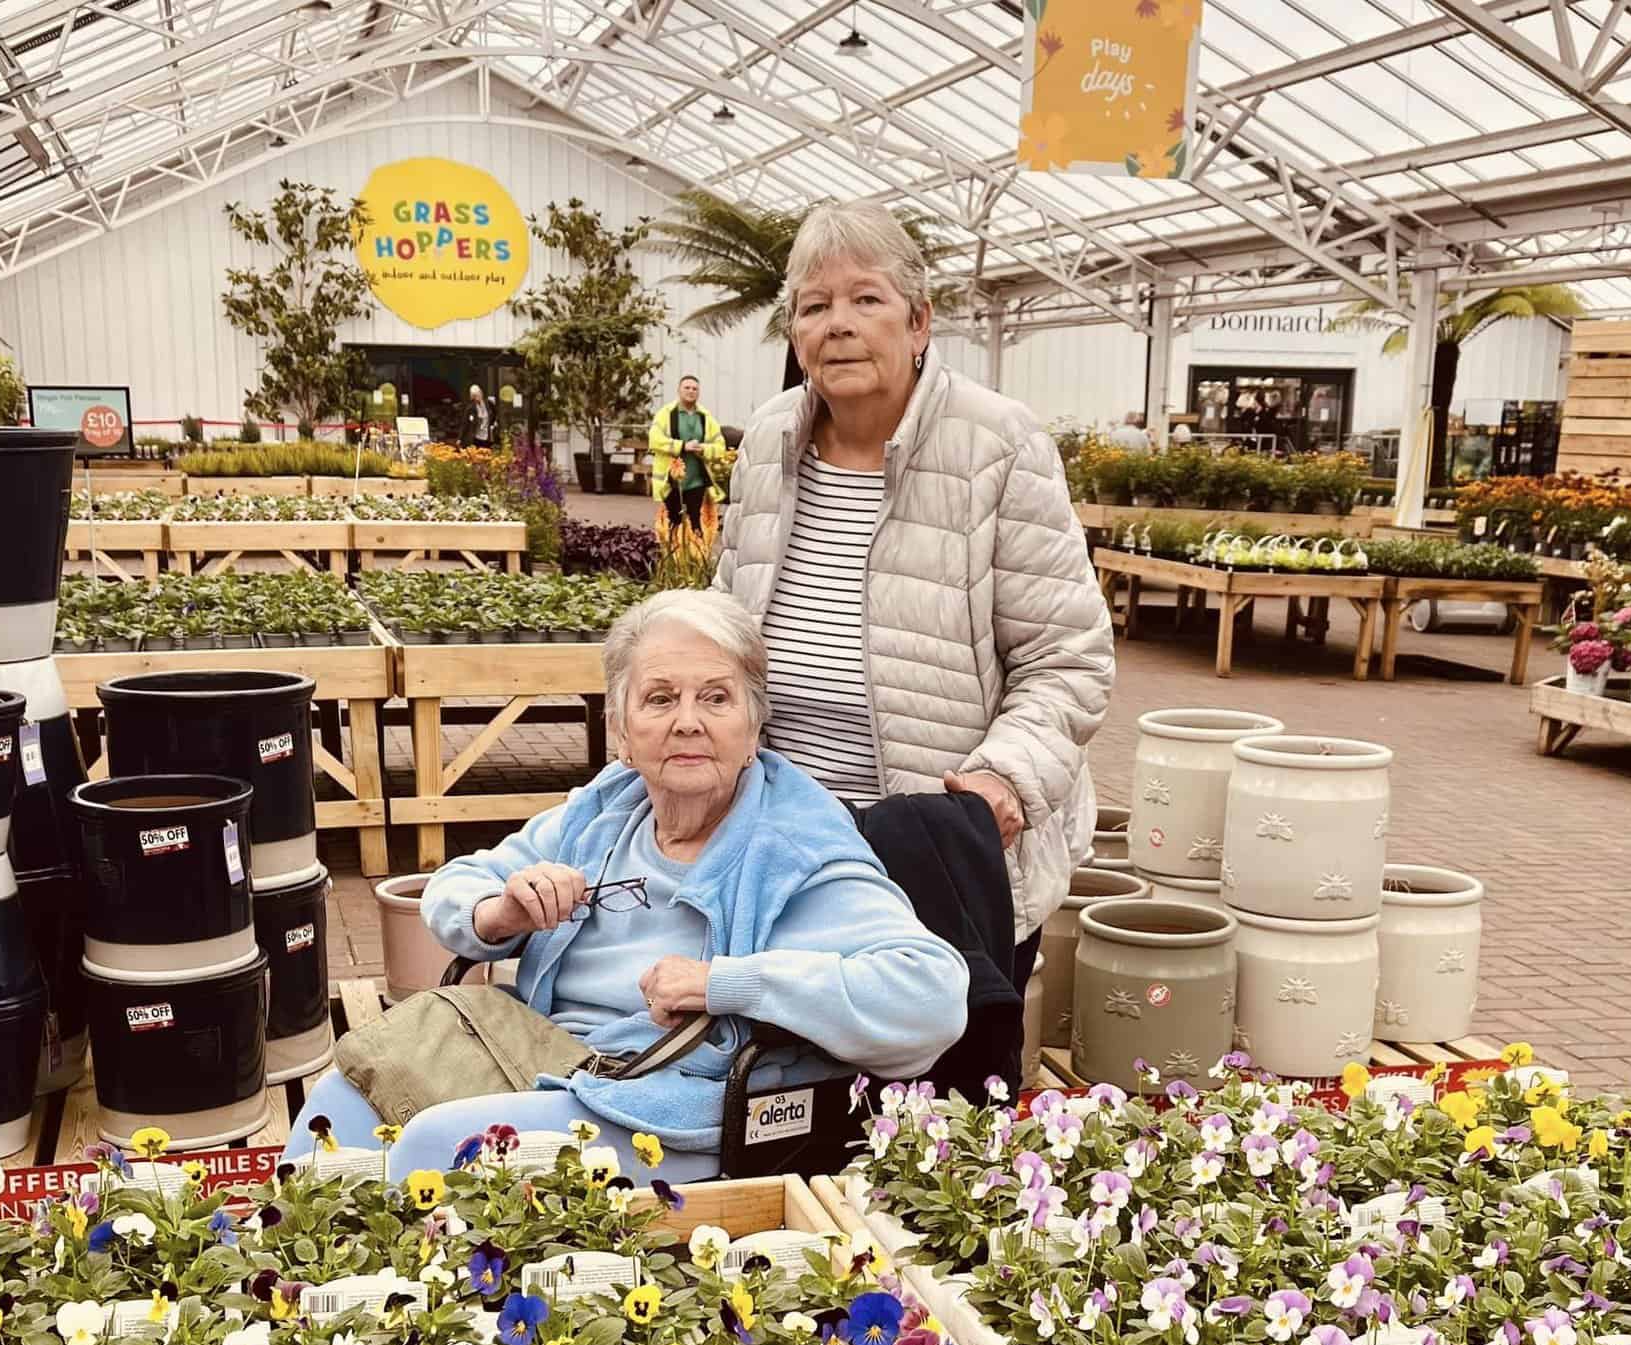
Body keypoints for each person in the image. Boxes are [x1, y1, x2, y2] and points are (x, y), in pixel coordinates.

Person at [285, 591, 968, 1181]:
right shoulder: (610, 808)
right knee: (342, 1101)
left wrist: (725, 983)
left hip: (672, 1101)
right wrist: (503, 910)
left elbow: (931, 995)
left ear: (755, 723)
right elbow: (458, 885)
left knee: (442, 1147)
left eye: (717, 698)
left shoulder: (793, 848)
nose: (687, 721)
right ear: (621, 729)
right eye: (660, 699)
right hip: (546, 1057)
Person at [713, 197, 1114, 990]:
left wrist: (1004, 780)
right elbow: (729, 622)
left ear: (920, 321)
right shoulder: (767, 441)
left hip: (943, 850)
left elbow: (1068, 660)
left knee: (939, 1096)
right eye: (815, 305)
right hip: (788, 848)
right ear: (795, 332)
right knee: (796, 1093)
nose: (839, 324)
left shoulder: (997, 442)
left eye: (867, 299)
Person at [650, 375, 727, 539]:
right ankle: (673, 562)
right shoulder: (666, 414)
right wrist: (682, 446)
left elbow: (720, 448)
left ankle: (697, 561)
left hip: (696, 480)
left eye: (695, 389)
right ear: (679, 390)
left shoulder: (705, 417)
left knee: (696, 525)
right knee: (673, 524)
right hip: (672, 481)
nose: (691, 391)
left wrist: (703, 449)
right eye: (687, 388)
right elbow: (654, 440)